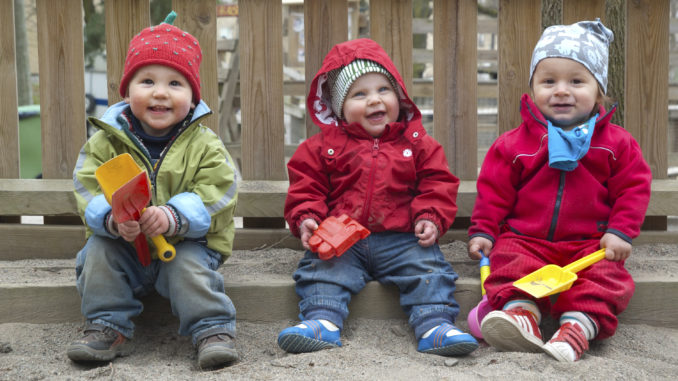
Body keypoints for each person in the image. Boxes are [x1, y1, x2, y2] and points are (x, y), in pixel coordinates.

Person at [277, 38, 478, 357]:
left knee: (428, 267)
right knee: (321, 268)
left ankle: (435, 326)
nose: (374, 100)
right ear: (340, 107)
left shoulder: (417, 144)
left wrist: (430, 217)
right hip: (342, 238)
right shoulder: (324, 146)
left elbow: (436, 182)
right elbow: (307, 185)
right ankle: (321, 322)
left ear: (398, 96)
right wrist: (308, 217)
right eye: (359, 94)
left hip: (403, 239)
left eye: (383, 90)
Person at [467, 19, 652, 362]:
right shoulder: (515, 145)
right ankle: (522, 316)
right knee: (508, 261)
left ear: (599, 91)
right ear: (533, 87)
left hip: (590, 245)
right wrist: (484, 230)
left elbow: (633, 189)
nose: (561, 90)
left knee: (608, 277)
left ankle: (578, 327)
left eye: (576, 81)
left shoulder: (616, 144)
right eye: (548, 81)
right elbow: (494, 193)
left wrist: (620, 232)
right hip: (528, 238)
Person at [68, 11, 239, 369]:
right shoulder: (105, 142)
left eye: (175, 84)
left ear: (193, 97)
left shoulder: (205, 144)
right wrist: (112, 220)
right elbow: (85, 187)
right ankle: (106, 325)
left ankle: (210, 329)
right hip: (124, 244)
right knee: (97, 255)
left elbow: (221, 192)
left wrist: (174, 216)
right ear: (127, 90)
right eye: (147, 81)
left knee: (189, 268)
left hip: (185, 243)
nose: (160, 92)